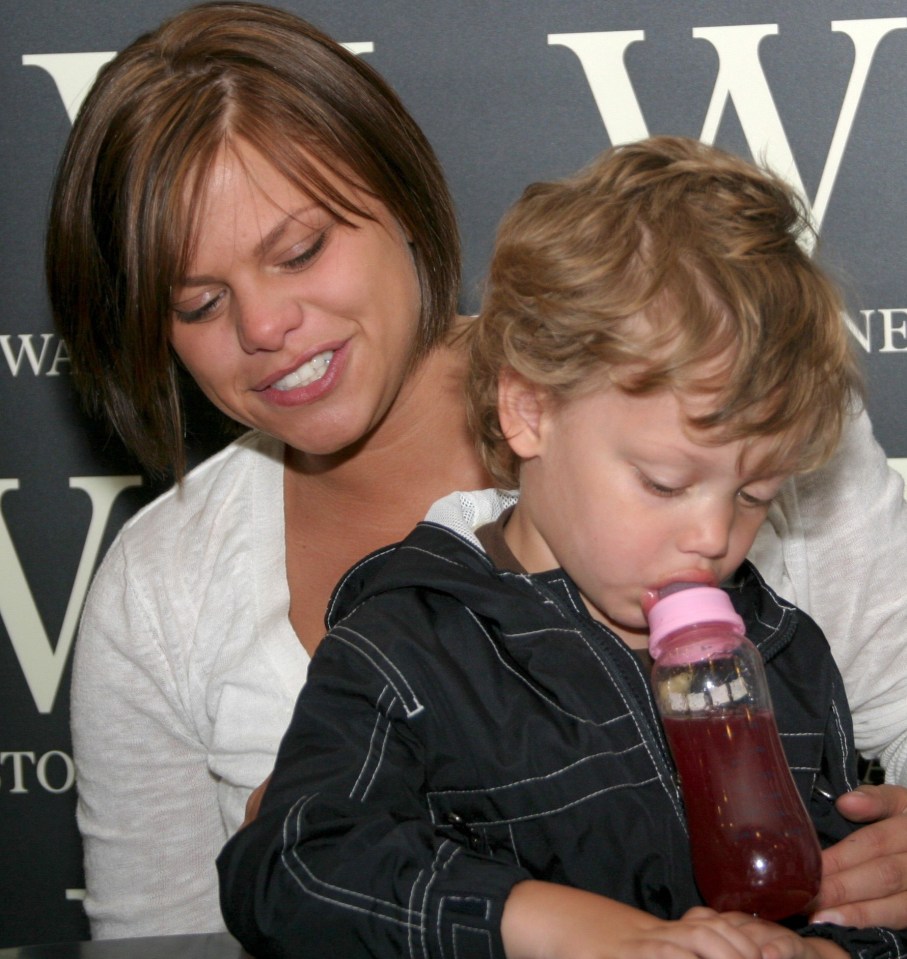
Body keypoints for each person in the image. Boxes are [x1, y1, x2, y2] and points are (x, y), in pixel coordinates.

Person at [45, 0, 907, 941]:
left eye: (300, 251)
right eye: (201, 303)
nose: (262, 327)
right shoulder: (174, 589)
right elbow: (168, 936)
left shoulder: (734, 405)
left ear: (401, 196)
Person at [217, 137, 905, 959]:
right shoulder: (409, 647)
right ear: (528, 410)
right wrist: (568, 928)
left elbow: (845, 897)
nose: (713, 536)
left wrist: (828, 950)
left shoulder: (779, 650)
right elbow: (288, 865)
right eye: (661, 481)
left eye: (752, 494)